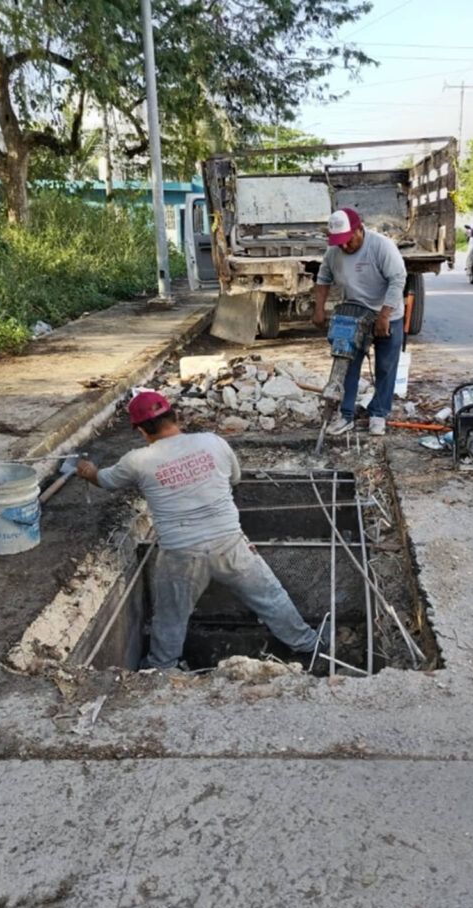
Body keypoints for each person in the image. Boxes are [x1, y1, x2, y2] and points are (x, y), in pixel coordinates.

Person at [76, 391, 322, 669]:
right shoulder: (213, 442)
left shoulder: (136, 460)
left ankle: (161, 668)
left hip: (181, 553)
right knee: (270, 596)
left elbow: (105, 481)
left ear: (142, 431)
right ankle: (309, 646)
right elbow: (235, 478)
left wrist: (87, 471)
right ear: (176, 417)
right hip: (229, 543)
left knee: (171, 616)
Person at [312, 206, 407, 437]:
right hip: (354, 313)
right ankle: (346, 415)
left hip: (387, 311)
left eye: (348, 240)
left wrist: (384, 315)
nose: (344, 246)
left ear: (359, 230)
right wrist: (318, 310)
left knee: (385, 366)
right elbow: (323, 279)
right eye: (339, 242)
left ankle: (379, 413)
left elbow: (398, 279)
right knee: (346, 365)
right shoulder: (333, 252)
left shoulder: (381, 246)